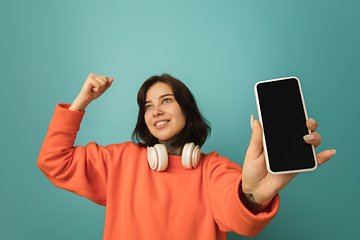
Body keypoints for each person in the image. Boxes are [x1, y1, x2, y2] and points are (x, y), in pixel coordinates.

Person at [37, 73, 335, 240]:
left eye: (166, 100)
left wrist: (254, 194)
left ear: (187, 109)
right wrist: (81, 101)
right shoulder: (119, 161)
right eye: (148, 105)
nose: (156, 111)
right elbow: (54, 161)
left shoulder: (215, 169)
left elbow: (240, 219)